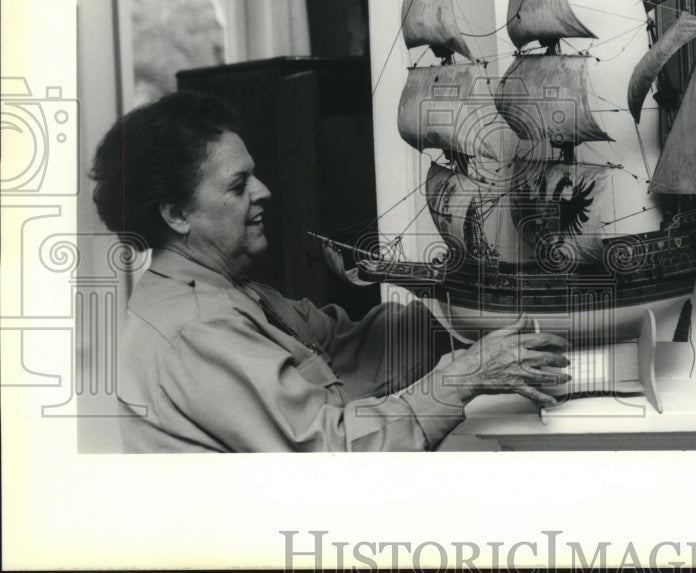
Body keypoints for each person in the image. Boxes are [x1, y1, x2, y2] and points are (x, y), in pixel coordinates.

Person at [90, 90, 570, 452]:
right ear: (176, 214)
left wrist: (461, 300)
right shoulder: (197, 328)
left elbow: (353, 350)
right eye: (238, 185)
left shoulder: (233, 294)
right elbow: (332, 453)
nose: (264, 191)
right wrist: (466, 376)